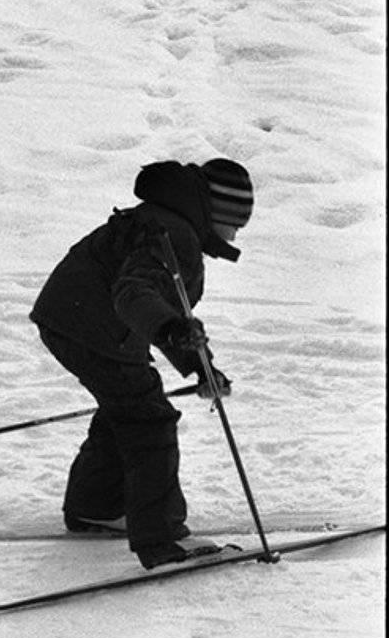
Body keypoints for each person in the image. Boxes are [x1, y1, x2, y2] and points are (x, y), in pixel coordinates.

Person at [29, 158, 254, 571]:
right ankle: (163, 543)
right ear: (218, 213)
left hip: (71, 316)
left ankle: (95, 506)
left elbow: (159, 306)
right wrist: (171, 329)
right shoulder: (176, 235)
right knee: (148, 421)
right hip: (93, 325)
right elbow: (136, 294)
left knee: (128, 405)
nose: (236, 234)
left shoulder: (163, 221)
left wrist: (198, 365)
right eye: (236, 223)